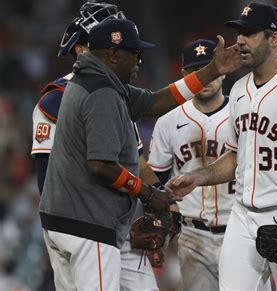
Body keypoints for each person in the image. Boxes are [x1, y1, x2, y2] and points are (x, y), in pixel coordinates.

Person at [38, 16, 241, 290]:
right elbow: (100, 165)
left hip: (77, 220)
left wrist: (212, 70)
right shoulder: (101, 92)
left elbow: (157, 101)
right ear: (112, 54)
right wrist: (148, 194)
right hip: (87, 223)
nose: (139, 60)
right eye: (134, 53)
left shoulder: (99, 81)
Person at [165, 3, 277, 290]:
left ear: (274, 38)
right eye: (239, 33)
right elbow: (235, 157)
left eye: (249, 33)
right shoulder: (238, 89)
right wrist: (197, 177)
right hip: (243, 215)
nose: (240, 41)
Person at [32, 3, 162, 290]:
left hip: (115, 222)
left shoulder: (115, 92)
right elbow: (47, 178)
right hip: (80, 223)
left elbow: (136, 161)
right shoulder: (55, 100)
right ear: (82, 49)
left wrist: (156, 206)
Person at [148, 39, 235, 291]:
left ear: (223, 69)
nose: (205, 78)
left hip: (240, 229)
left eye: (209, 68)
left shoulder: (243, 112)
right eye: (196, 71)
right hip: (192, 234)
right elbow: (157, 180)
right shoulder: (167, 121)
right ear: (185, 76)